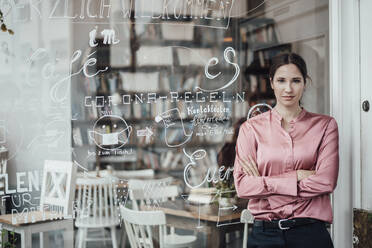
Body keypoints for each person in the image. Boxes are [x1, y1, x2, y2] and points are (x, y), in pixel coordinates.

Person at [233, 52, 339, 248]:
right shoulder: (251, 129)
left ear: (305, 83)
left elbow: (326, 182)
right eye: (281, 80)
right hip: (265, 235)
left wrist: (264, 185)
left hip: (311, 234)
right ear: (271, 82)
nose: (288, 89)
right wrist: (297, 175)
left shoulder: (325, 126)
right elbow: (243, 186)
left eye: (296, 81)